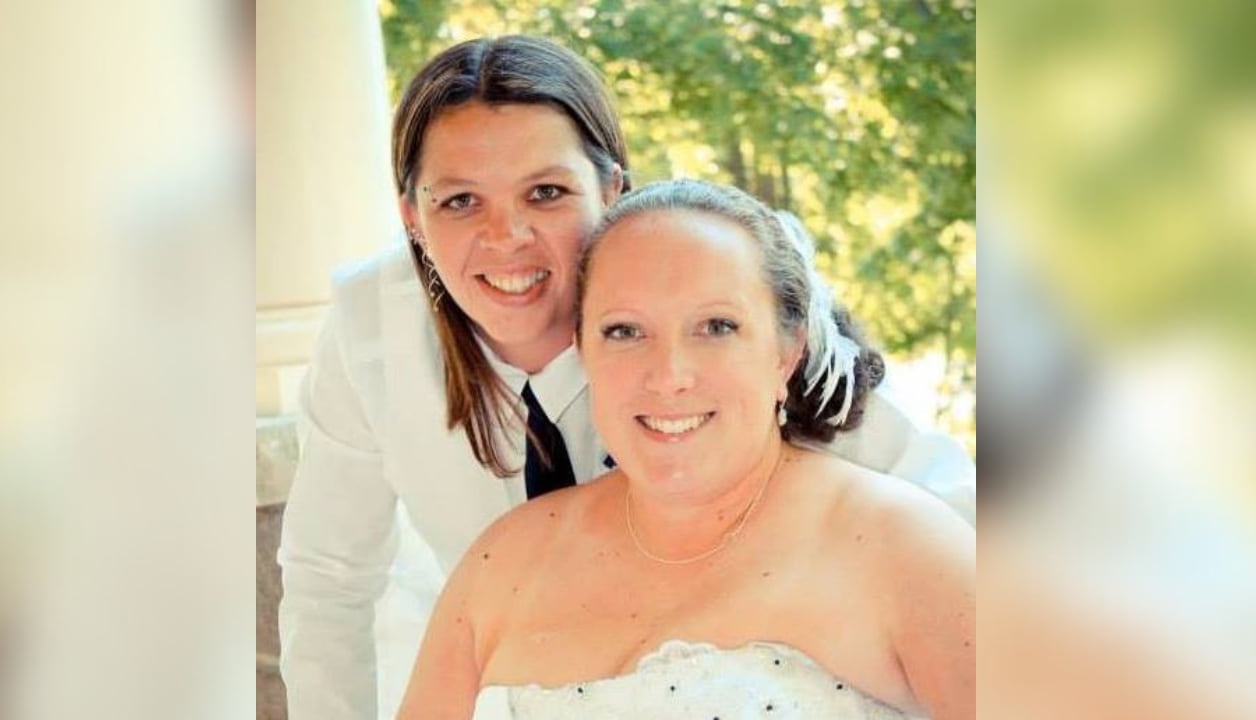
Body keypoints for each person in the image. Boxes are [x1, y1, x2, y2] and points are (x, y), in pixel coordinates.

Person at [278, 35, 974, 720]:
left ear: (611, 189)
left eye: (546, 192)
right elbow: (328, 580)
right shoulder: (373, 331)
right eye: (461, 201)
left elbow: (944, 511)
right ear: (412, 218)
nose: (507, 237)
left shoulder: (722, 278)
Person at [395, 179, 975, 719]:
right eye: (625, 331)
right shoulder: (504, 563)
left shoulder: (898, 543)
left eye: (717, 327)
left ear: (786, 352)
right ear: (582, 350)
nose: (670, 375)